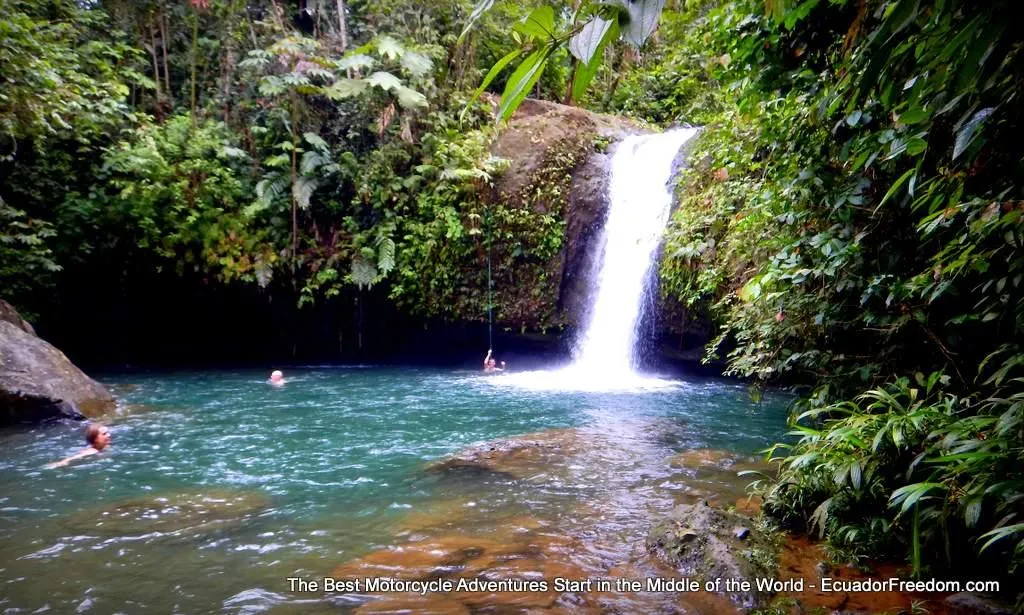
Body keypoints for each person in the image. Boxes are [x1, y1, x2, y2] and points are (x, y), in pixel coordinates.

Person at [44, 423, 112, 469]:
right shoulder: (92, 451)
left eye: (108, 432)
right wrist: (62, 462)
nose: (109, 435)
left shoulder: (105, 447)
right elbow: (77, 457)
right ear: (95, 439)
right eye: (104, 434)